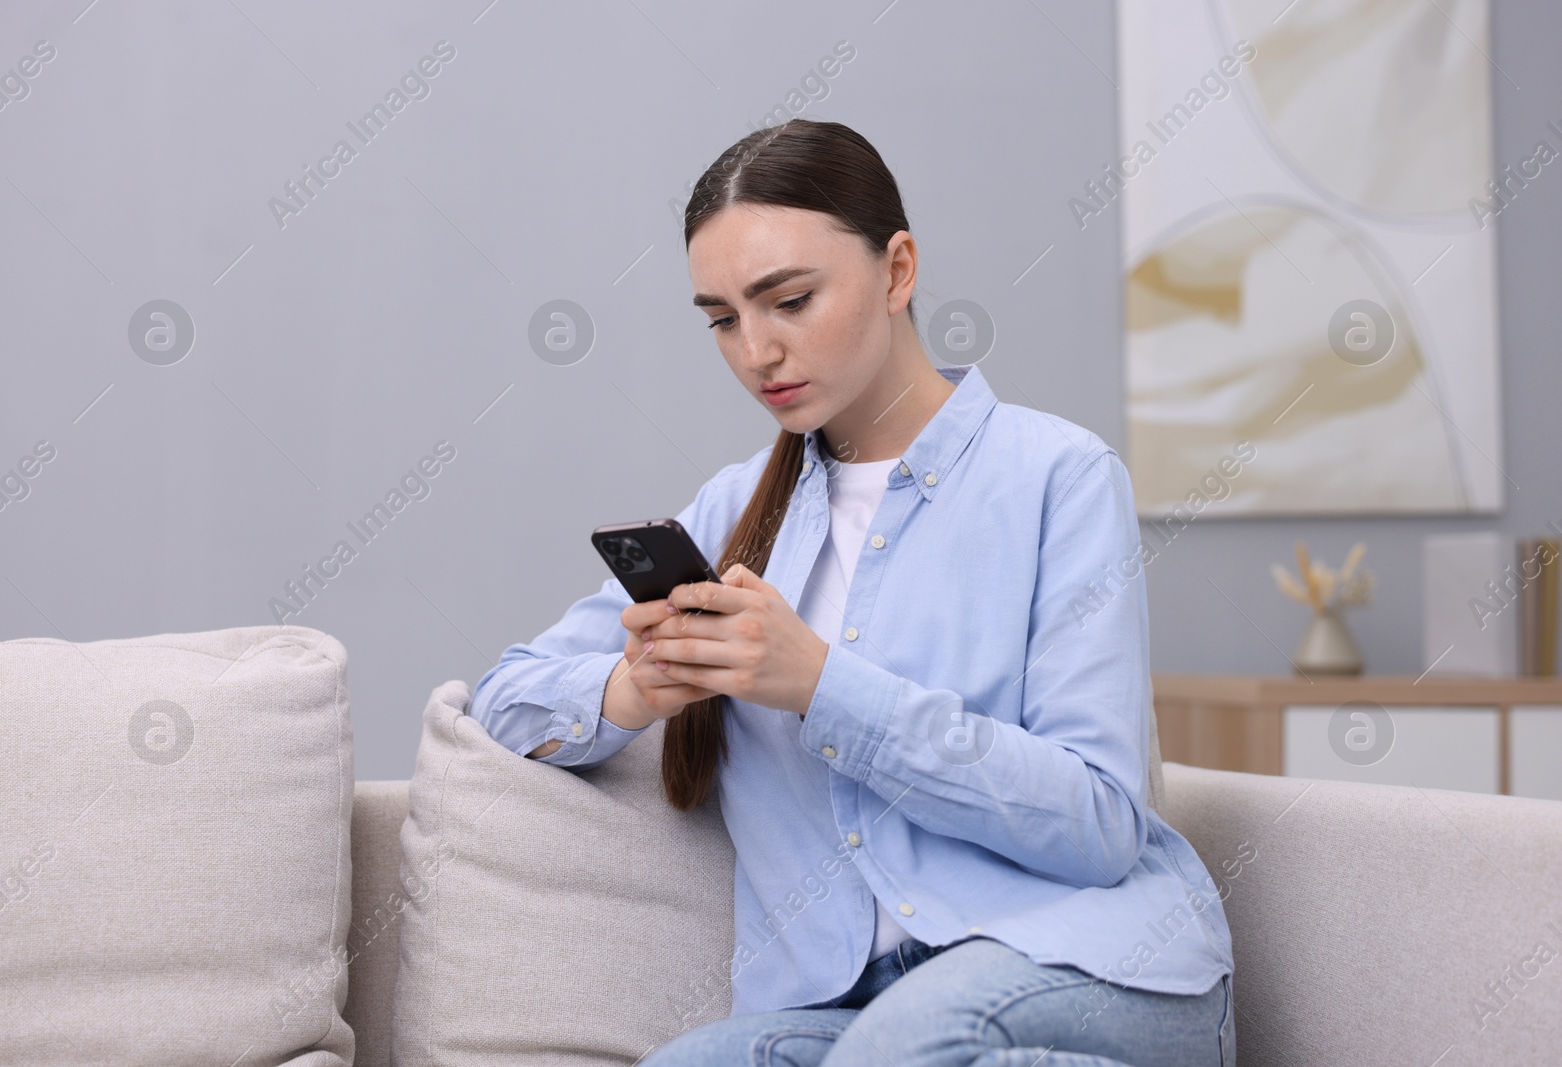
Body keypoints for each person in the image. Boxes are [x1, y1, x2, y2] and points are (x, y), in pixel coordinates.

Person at [470, 118, 1235, 1067]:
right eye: (721, 318)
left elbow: (1100, 825)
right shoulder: (730, 509)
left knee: (908, 1046)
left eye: (788, 299)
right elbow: (505, 698)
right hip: (846, 1009)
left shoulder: (1060, 476)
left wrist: (821, 682)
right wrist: (635, 690)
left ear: (898, 271)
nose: (756, 351)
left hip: (1085, 962)